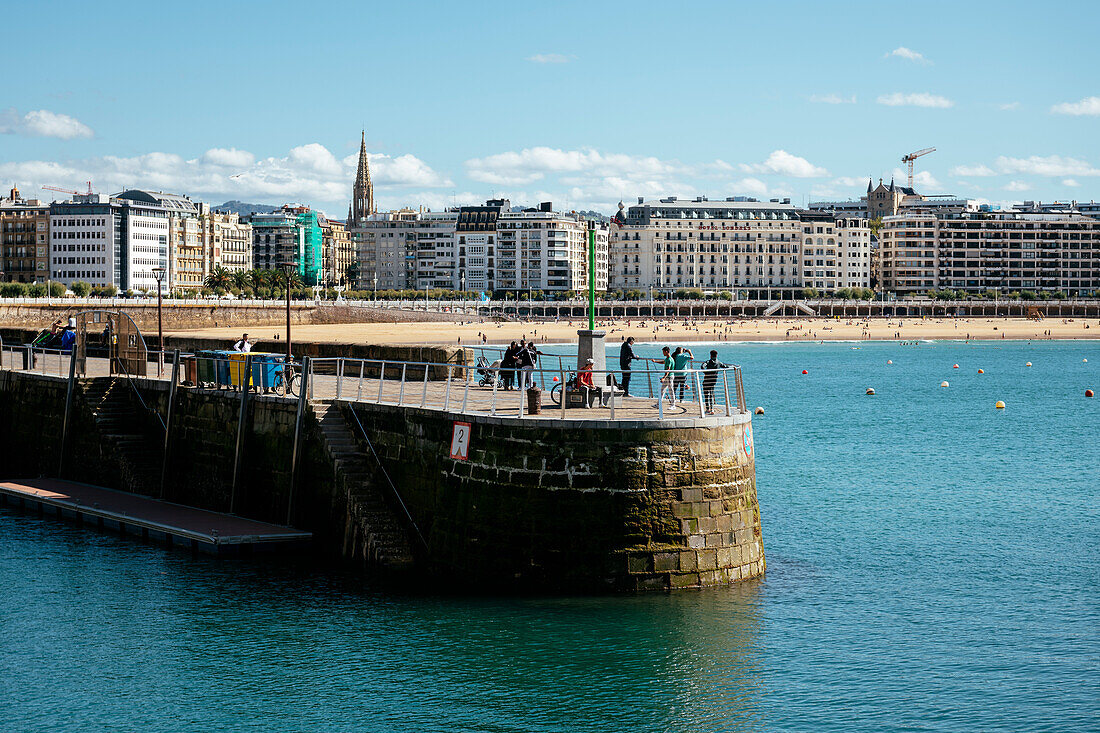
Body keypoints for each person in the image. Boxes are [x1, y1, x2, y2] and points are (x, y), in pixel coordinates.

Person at [701, 350, 729, 414]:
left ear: (710, 355)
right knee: (711, 393)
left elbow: (702, 366)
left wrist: (705, 372)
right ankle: (712, 409)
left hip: (707, 380)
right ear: (716, 355)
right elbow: (725, 366)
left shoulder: (708, 362)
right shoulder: (719, 362)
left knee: (706, 394)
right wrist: (733, 367)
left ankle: (707, 408)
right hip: (713, 380)